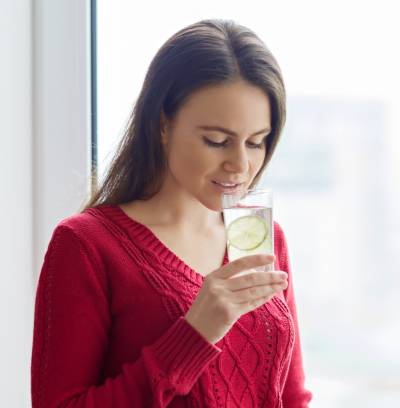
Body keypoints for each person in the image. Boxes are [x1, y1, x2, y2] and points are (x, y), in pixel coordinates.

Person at [31, 19, 313, 408]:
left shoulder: (261, 236)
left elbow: (291, 397)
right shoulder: (87, 246)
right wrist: (193, 336)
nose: (240, 165)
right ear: (163, 124)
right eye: (217, 141)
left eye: (256, 143)